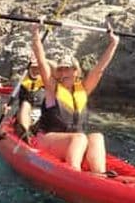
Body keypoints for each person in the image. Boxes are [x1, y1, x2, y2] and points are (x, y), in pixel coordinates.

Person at [31, 21, 119, 174]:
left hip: (72, 142)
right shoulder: (53, 88)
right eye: (61, 70)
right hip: (47, 139)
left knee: (97, 137)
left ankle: (100, 175)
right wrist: (35, 35)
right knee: (79, 138)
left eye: (68, 70)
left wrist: (113, 43)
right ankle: (74, 173)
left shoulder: (83, 89)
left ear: (76, 72)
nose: (64, 73)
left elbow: (99, 69)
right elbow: (41, 61)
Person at [15, 56, 45, 135]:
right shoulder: (23, 83)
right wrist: (7, 107)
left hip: (40, 113)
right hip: (25, 111)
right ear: (30, 69)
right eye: (34, 68)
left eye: (38, 68)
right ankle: (25, 131)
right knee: (25, 105)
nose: (36, 70)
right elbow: (15, 99)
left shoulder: (45, 83)